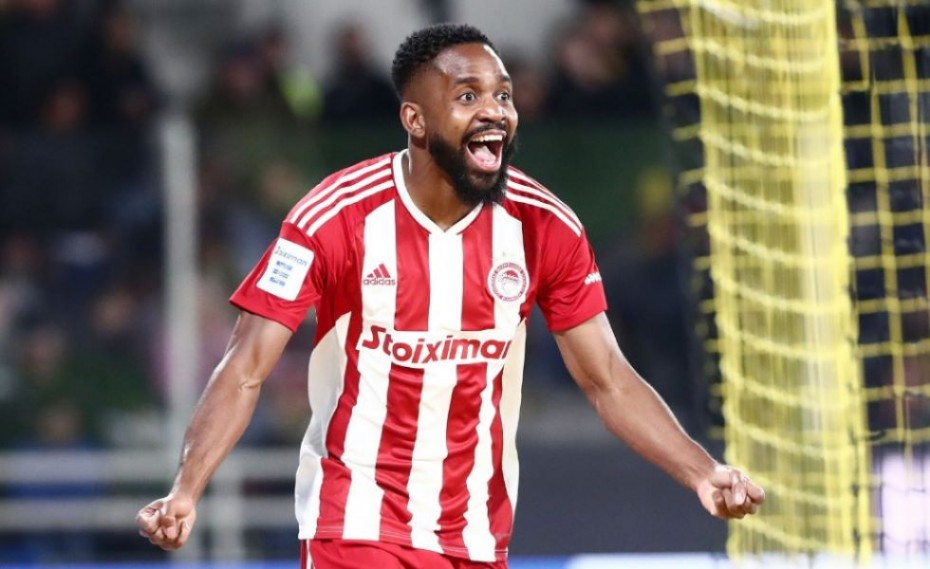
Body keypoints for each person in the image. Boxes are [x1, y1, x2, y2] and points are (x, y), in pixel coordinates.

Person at [136, 23, 764, 568]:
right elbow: (245, 366)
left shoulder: (545, 225)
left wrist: (702, 473)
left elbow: (608, 379)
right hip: (353, 522)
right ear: (415, 120)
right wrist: (187, 488)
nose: (494, 111)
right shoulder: (334, 217)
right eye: (468, 96)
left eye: (503, 95)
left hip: (476, 534)